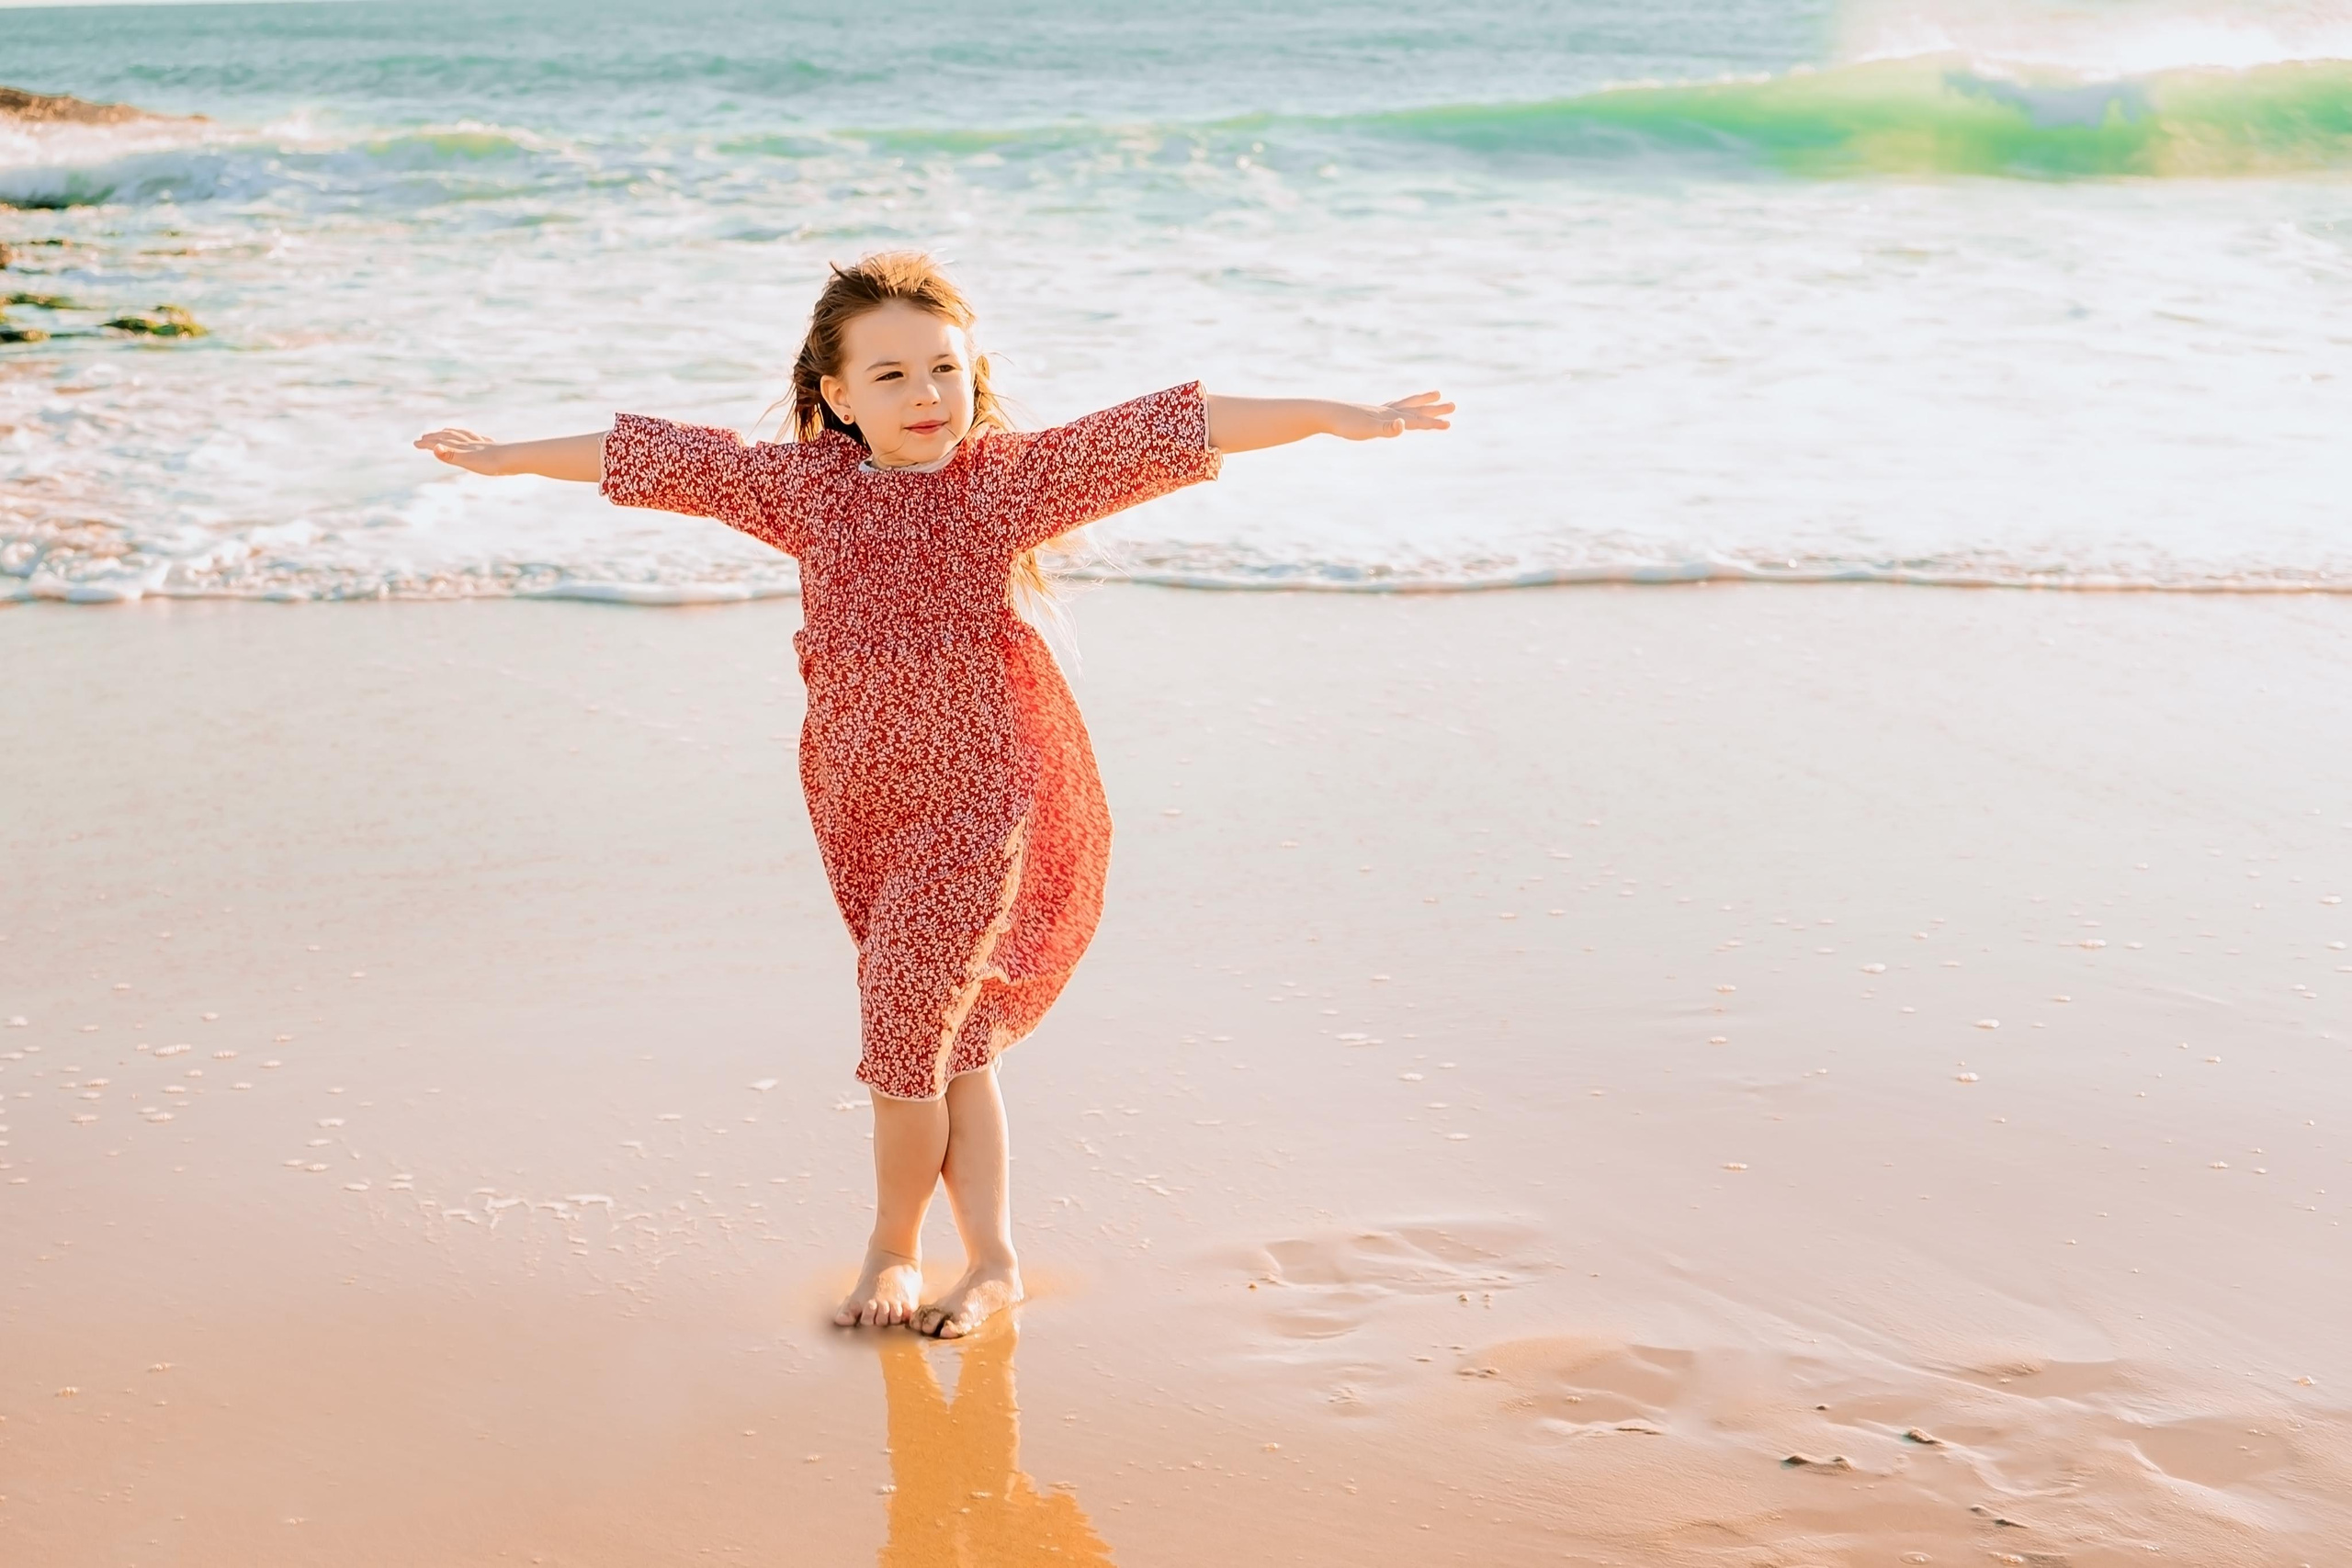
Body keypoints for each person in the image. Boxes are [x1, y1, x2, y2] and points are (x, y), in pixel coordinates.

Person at [414, 251, 1450, 1337]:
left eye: (944, 370)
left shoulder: (1000, 483)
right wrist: (504, 458)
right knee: (950, 1044)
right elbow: (655, 455)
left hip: (977, 809)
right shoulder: (803, 490)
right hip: (858, 803)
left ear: (974, 374)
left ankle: (892, 1252)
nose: (924, 397)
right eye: (893, 375)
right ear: (837, 396)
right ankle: (996, 1260)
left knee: (905, 1045)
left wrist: (1345, 414)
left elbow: (1172, 426)